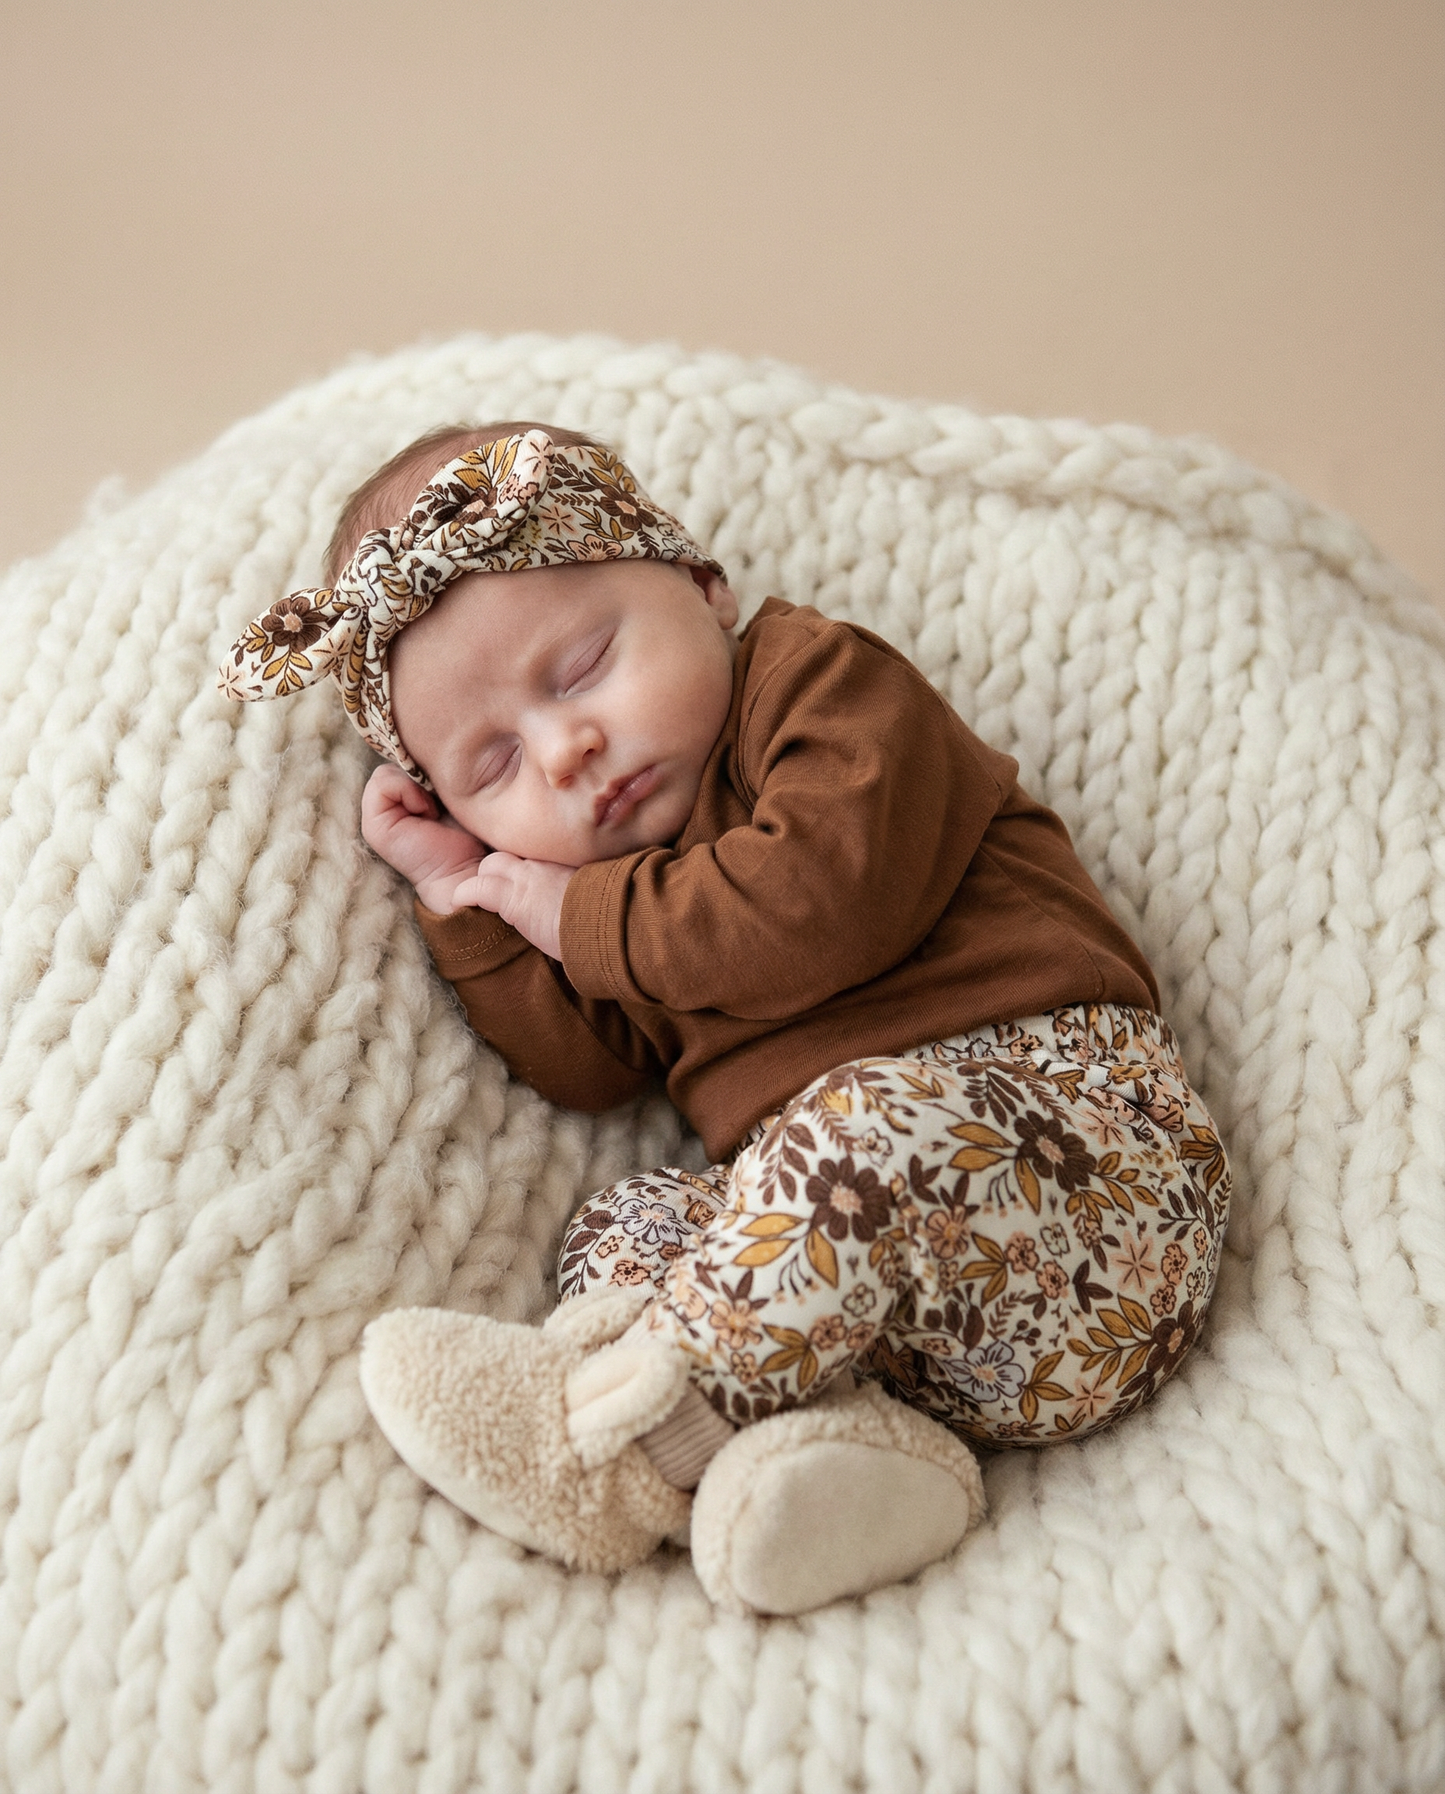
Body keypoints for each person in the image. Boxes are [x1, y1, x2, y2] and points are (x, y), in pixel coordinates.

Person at [219, 423, 1231, 1615]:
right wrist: (473, 906)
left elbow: (812, 908)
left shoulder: (816, 686)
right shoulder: (607, 897)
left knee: (856, 1135)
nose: (565, 748)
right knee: (630, 1217)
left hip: (1090, 1189)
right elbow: (592, 1071)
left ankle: (613, 1467)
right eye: (493, 767)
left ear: (704, 589)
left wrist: (572, 909)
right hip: (895, 1324)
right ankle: (841, 1462)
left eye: (582, 664)